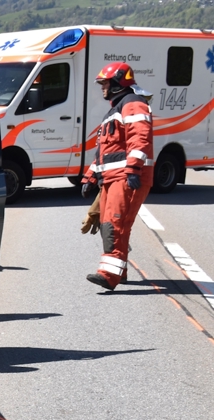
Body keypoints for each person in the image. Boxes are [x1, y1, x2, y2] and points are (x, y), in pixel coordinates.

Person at [79, 61, 154, 291]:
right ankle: (119, 271)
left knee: (114, 225)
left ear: (118, 82)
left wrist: (133, 169)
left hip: (126, 177)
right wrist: (90, 176)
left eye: (105, 83)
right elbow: (106, 150)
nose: (102, 88)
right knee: (109, 225)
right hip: (113, 178)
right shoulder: (118, 108)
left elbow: (140, 138)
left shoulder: (132, 105)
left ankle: (109, 275)